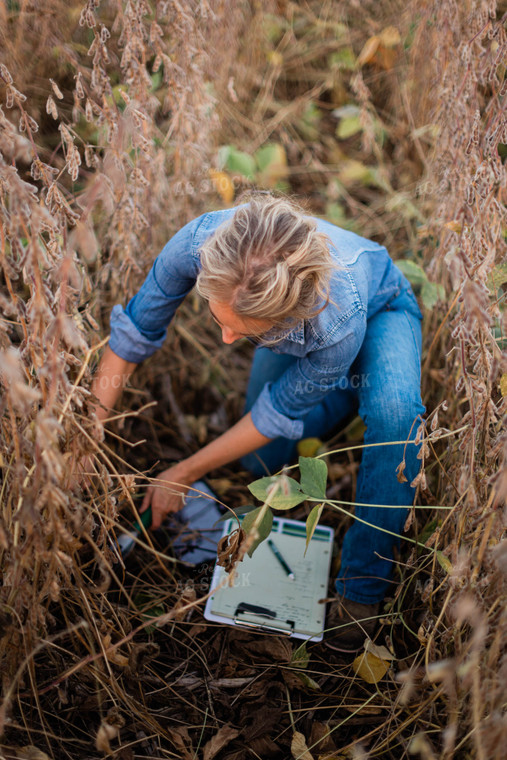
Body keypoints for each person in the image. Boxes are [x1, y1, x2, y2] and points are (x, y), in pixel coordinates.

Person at [90, 191, 425, 652]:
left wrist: (183, 474)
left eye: (244, 331)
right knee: (260, 461)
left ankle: (360, 592)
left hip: (380, 310)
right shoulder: (198, 244)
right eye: (220, 319)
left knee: (393, 415)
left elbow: (280, 410)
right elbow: (133, 334)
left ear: (284, 317)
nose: (227, 339)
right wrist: (88, 437)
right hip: (307, 331)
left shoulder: (334, 322)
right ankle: (340, 385)